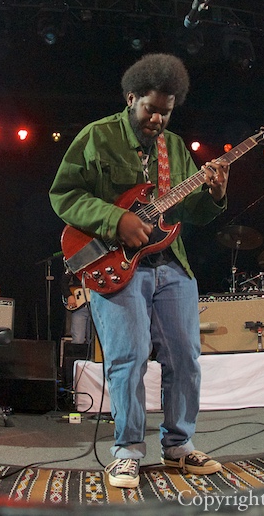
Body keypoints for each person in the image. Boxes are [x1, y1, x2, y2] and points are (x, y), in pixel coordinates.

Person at [49, 53, 228, 489]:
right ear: (132, 98)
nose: (157, 120)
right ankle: (127, 452)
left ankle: (179, 445)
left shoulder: (175, 149)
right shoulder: (98, 136)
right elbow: (64, 195)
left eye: (166, 112)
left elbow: (192, 213)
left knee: (185, 356)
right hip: (114, 264)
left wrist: (215, 196)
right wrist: (117, 220)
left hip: (171, 264)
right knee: (128, 358)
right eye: (151, 110)